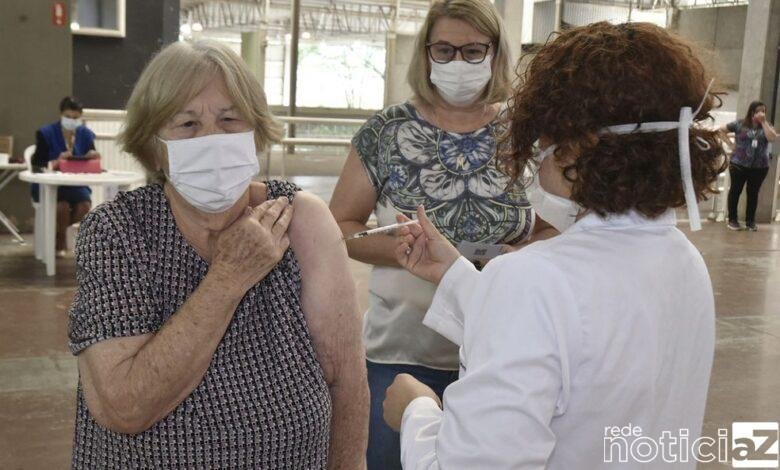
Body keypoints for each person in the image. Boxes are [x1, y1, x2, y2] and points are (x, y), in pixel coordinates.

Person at [383, 22, 726, 469]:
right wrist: (455, 276)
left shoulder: (535, 279)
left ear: (575, 148)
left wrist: (417, 411)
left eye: (543, 138)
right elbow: (585, 343)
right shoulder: (684, 260)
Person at [67, 40, 368, 469]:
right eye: (187, 124)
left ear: (257, 131)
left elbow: (347, 382)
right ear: (155, 148)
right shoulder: (117, 232)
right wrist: (228, 277)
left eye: (230, 119)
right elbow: (124, 407)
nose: (212, 139)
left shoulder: (300, 221)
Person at [328, 1, 555, 467]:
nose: (458, 63)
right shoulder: (386, 132)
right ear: (426, 54)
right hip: (402, 350)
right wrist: (400, 248)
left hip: (504, 350)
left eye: (473, 51)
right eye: (445, 50)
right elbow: (340, 226)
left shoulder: (525, 132)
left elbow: (560, 224)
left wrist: (519, 258)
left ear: (495, 54)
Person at [31, 96, 100, 254]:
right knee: (61, 207)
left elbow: (91, 160)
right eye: (68, 117)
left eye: (75, 118)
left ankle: (60, 230)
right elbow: (37, 166)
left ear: (80, 118)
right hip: (50, 184)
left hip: (76, 184)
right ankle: (61, 237)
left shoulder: (86, 134)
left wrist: (93, 155)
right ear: (61, 114)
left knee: (85, 206)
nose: (71, 120)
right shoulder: (45, 133)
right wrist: (55, 162)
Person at [721, 101, 777, 231]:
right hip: (739, 164)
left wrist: (763, 123)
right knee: (735, 191)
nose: (761, 113)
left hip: (759, 167)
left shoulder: (767, 126)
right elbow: (720, 130)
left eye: (763, 111)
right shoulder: (739, 124)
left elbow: (772, 138)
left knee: (753, 193)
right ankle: (733, 220)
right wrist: (730, 144)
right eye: (758, 111)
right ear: (752, 112)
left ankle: (750, 221)